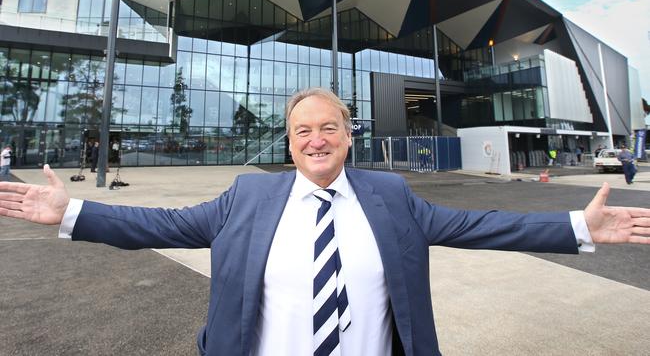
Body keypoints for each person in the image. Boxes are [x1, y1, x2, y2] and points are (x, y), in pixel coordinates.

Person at [0, 88, 649, 356]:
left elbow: (479, 225)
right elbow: (160, 226)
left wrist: (579, 228)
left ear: (348, 137)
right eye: (303, 130)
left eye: (328, 128)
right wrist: (73, 212)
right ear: (290, 143)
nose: (316, 139)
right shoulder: (244, 201)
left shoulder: (392, 196)